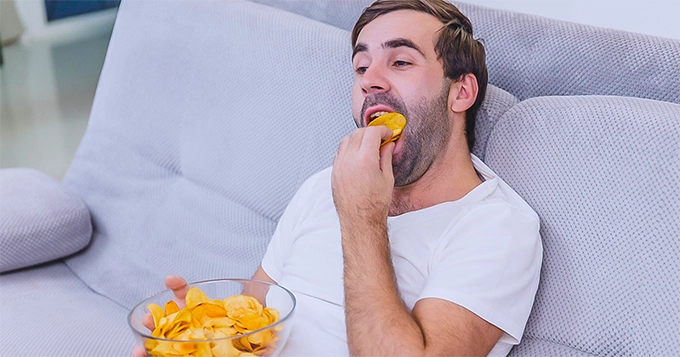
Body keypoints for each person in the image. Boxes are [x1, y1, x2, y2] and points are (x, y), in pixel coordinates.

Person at [133, 0, 542, 356]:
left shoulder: (497, 227)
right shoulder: (321, 186)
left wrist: (360, 215)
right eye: (361, 66)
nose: (369, 80)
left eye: (400, 61)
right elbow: (253, 310)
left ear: (461, 92)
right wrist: (203, 335)